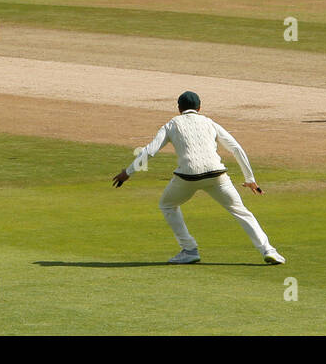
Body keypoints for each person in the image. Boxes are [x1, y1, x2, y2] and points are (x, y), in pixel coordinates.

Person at [111, 90, 285, 266]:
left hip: (187, 178)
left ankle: (189, 250)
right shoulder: (209, 122)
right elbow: (236, 149)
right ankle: (268, 250)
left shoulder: (172, 124)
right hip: (217, 176)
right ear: (199, 107)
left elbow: (150, 151)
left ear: (179, 108)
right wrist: (250, 179)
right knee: (241, 211)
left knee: (167, 204)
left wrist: (128, 173)